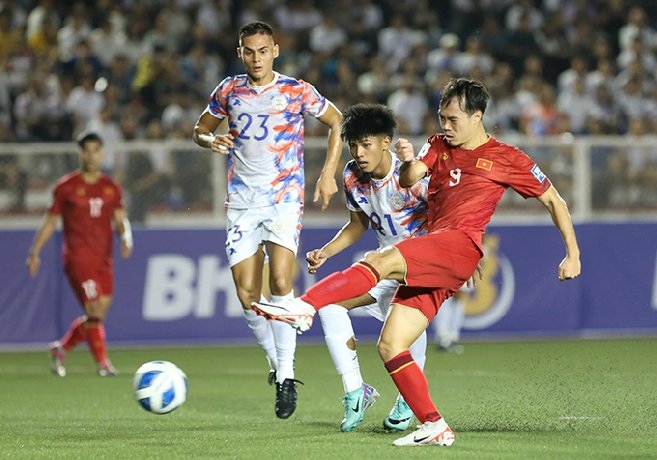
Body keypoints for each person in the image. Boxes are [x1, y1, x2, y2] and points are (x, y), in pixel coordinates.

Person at [253, 78, 581, 446]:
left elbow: (555, 201)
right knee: (391, 344)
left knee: (380, 260)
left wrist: (572, 253)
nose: (446, 126)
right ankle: (434, 424)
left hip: (459, 243)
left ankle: (303, 306)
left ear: (477, 116)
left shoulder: (507, 157)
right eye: (442, 117)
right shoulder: (439, 145)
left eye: (454, 119)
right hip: (438, 250)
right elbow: (410, 179)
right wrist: (410, 162)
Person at [192, 21, 343, 419]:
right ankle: (276, 363)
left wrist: (328, 173)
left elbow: (337, 121)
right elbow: (199, 130)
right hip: (242, 202)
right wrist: (212, 140)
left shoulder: (296, 90)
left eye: (263, 50)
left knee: (280, 282)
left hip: (283, 198)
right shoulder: (228, 90)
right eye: (249, 51)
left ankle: (287, 377)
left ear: (275, 50)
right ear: (240, 53)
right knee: (246, 294)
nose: (256, 58)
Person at [309, 103, 430, 432]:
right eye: (354, 145)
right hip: (385, 266)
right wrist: (326, 251)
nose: (359, 153)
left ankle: (409, 396)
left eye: (366, 144)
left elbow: (447, 215)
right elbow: (357, 224)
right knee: (330, 305)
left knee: (403, 322)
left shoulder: (414, 176)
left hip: (423, 267)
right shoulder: (352, 175)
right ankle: (355, 391)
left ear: (386, 142)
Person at [27, 131, 133, 377]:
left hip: (103, 260)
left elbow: (120, 219)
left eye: (96, 150)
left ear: (102, 153)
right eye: (87, 150)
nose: (91, 155)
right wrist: (35, 252)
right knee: (94, 309)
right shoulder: (66, 187)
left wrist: (126, 237)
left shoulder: (110, 187)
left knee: (96, 315)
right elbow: (51, 221)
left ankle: (61, 348)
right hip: (77, 259)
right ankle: (103, 364)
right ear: (80, 153)